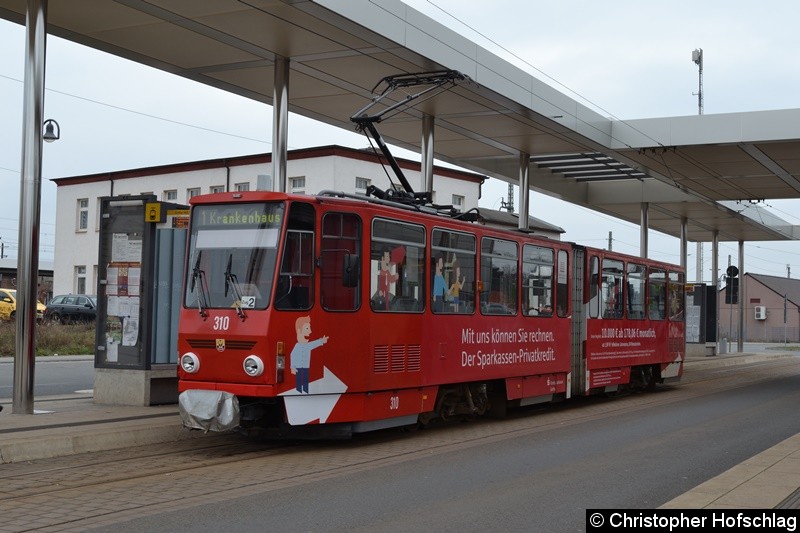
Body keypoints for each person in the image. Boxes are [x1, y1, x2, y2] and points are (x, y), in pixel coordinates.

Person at [290, 316, 328, 394]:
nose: (310, 331)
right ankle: (300, 391)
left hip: (305, 368)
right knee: (299, 383)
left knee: (305, 382)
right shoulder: (297, 346)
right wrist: (292, 367)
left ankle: (304, 391)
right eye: (307, 328)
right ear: (299, 330)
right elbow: (292, 355)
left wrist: (322, 341)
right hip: (299, 368)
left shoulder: (307, 345)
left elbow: (314, 344)